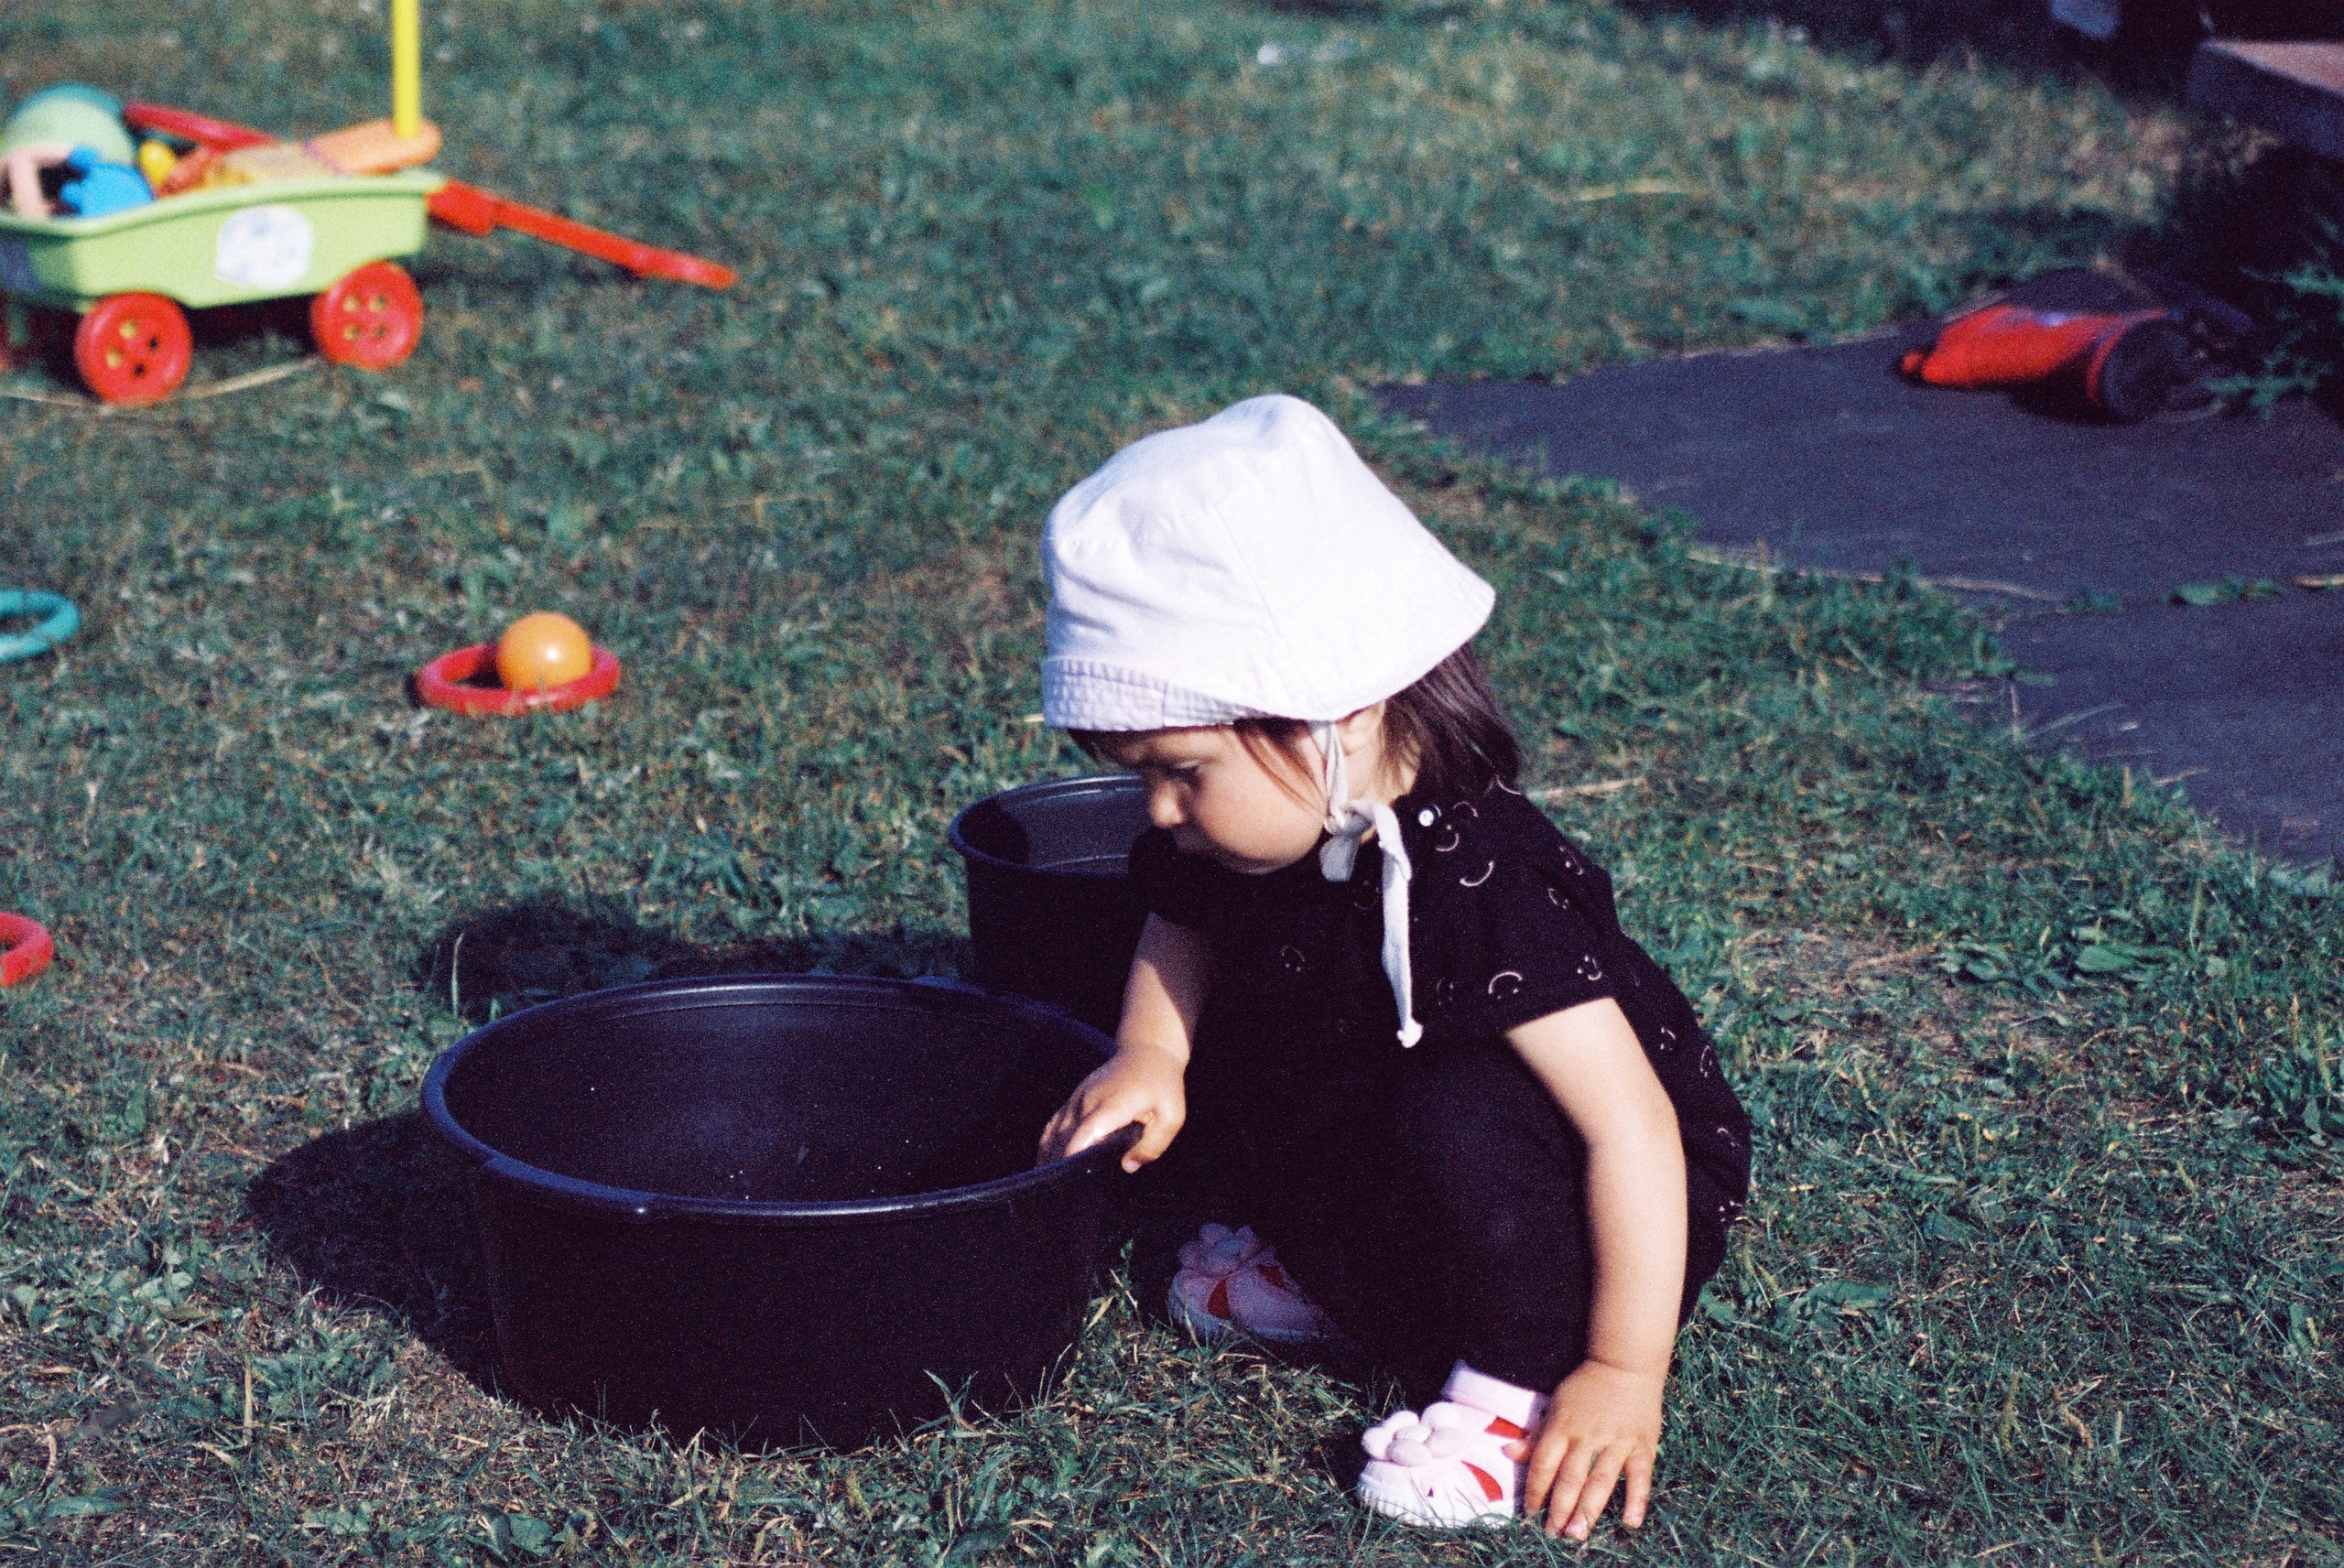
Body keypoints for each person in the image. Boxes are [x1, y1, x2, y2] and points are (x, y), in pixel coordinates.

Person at [1033, 394, 1752, 1538]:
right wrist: (1149, 1051)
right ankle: (1340, 1273)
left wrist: (1623, 1368)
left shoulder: (1482, 886)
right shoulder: (1253, 823)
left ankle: (1514, 1382)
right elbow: (1182, 927)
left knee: (1458, 1108)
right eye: (1137, 776)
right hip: (1380, 1111)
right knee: (1278, 1050)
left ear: (1342, 716)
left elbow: (1633, 1130)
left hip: (1569, 1178)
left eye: (1179, 771)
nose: (1159, 811)